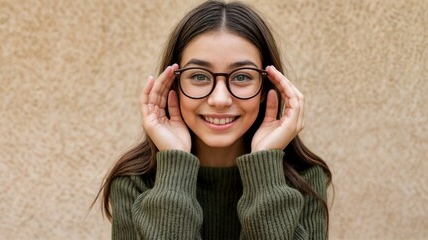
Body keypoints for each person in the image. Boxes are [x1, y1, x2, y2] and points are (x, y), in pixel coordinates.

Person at [94, 1, 332, 239]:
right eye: (199, 76)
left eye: (241, 77)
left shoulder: (305, 179)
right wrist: (175, 171)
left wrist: (265, 173)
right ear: (173, 85)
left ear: (265, 87)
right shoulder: (135, 183)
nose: (220, 99)